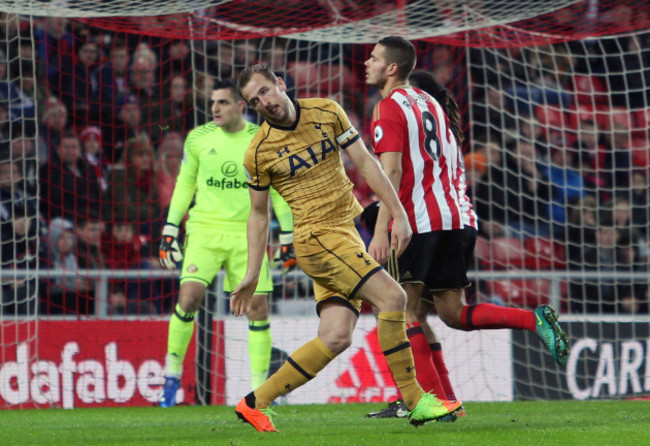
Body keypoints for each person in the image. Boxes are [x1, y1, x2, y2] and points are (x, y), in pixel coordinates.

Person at [231, 64, 462, 433]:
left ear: (280, 83)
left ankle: (254, 403)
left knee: (336, 336)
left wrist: (397, 215)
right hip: (316, 240)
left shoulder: (327, 111)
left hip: (347, 232)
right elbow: (258, 216)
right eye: (253, 100)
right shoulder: (257, 153)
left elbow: (367, 164)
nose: (263, 102)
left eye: (264, 91)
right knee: (394, 298)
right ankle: (416, 401)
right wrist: (251, 274)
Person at [362, 39, 570, 418]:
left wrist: (380, 228)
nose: (366, 63)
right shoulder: (435, 108)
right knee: (451, 312)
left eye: (373, 57)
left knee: (399, 313)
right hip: (459, 221)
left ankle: (432, 402)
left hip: (418, 223)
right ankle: (530, 321)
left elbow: (390, 172)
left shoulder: (389, 107)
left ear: (393, 68)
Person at [157, 78, 295, 408]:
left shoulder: (261, 139)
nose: (214, 108)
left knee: (258, 308)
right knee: (188, 298)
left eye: (222, 102)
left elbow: (276, 191)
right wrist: (169, 229)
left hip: (248, 234)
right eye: (212, 102)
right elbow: (183, 186)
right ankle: (170, 379)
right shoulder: (199, 139)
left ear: (240, 106)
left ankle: (260, 392)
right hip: (204, 231)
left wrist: (287, 237)